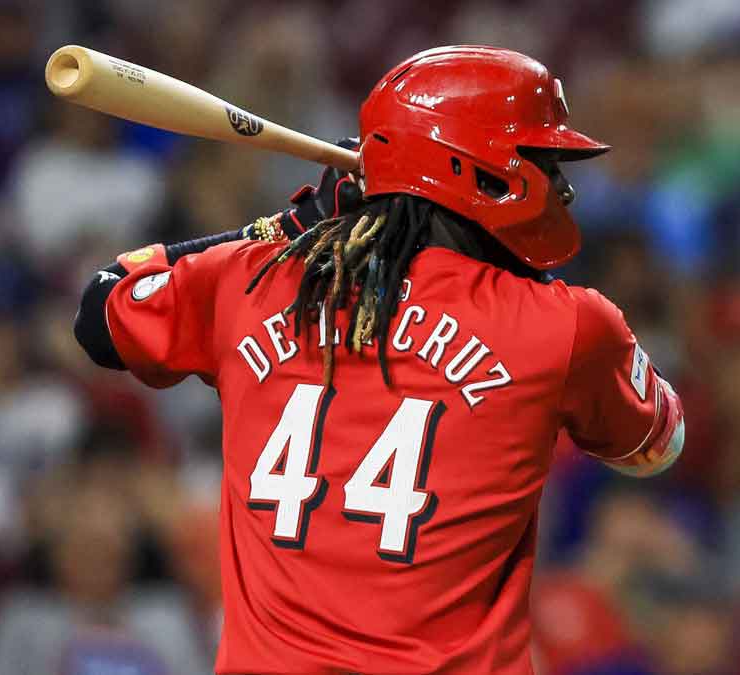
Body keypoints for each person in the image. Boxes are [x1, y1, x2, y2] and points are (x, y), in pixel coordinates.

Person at [72, 46, 685, 675]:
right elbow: (655, 446)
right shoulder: (567, 325)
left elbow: (99, 311)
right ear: (478, 171)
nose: (563, 185)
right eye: (543, 159)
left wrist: (285, 229)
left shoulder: (251, 281)